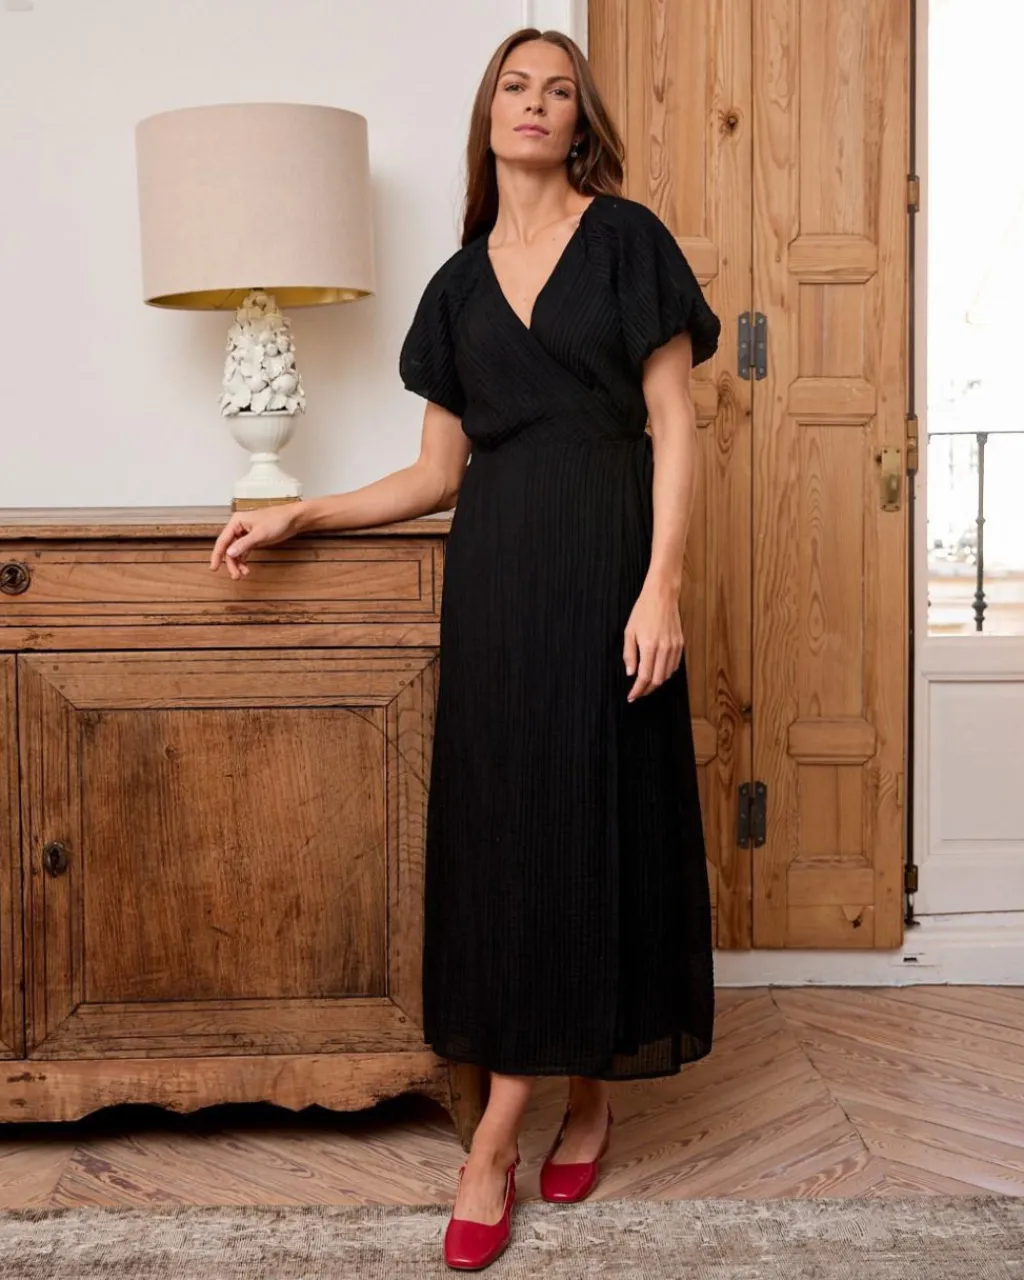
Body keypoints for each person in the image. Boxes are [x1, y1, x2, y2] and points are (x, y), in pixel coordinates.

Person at [210, 26, 721, 1273]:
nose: (535, 104)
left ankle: (502, 1135)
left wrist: (660, 586)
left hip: (607, 564)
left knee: (597, 821)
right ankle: (566, 1097)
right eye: (515, 86)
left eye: (558, 90)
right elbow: (437, 473)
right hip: (496, 583)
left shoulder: (628, 241)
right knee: (512, 838)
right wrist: (303, 510)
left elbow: (674, 424)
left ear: (579, 119)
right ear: (489, 116)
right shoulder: (454, 285)